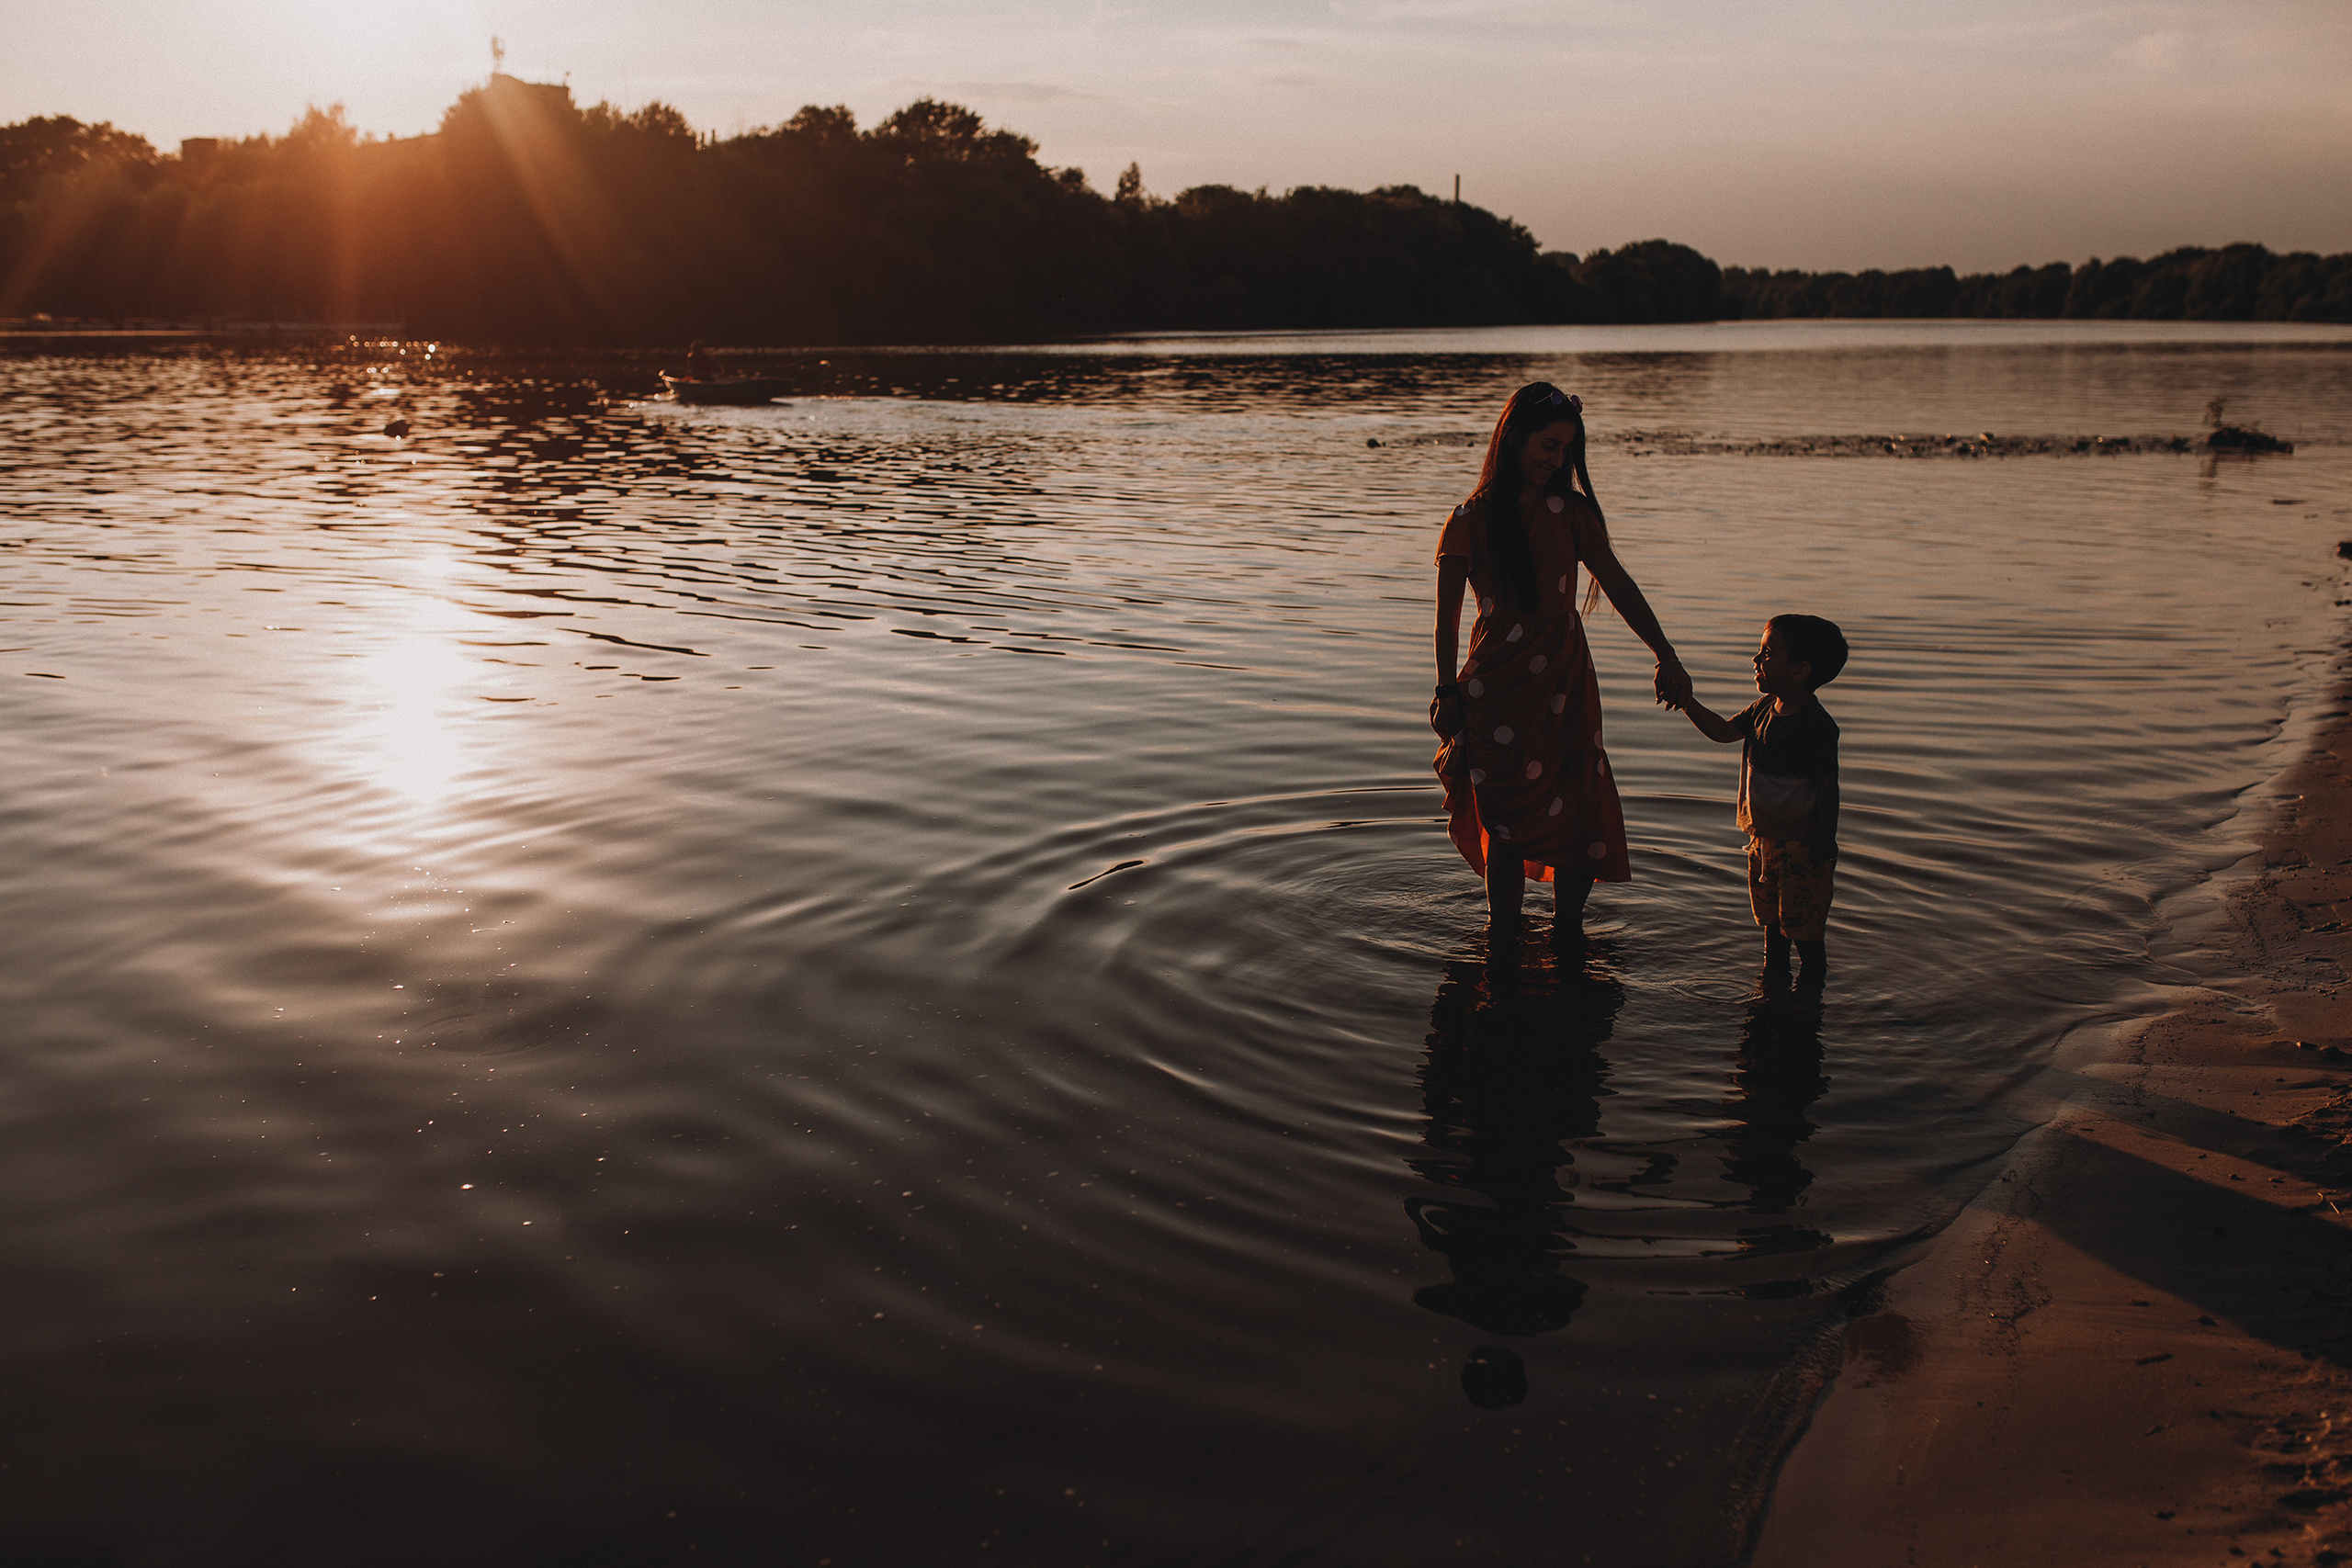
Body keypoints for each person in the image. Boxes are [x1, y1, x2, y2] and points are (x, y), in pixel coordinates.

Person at [1430, 382, 1691, 947]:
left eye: (1566, 451)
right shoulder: (1467, 520)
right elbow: (1447, 618)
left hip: (1566, 680)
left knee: (1580, 801)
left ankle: (1567, 934)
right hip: (1497, 685)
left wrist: (1665, 653)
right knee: (1504, 813)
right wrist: (1445, 689)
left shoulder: (1570, 513)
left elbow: (1618, 583)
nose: (1556, 460)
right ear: (1513, 439)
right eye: (1547, 446)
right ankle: (1505, 929)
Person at [1668, 615, 1848, 990]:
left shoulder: (1815, 726)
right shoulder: (1763, 708)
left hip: (1802, 850)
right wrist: (1687, 702)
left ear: (1800, 670)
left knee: (1806, 933)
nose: (1755, 659)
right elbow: (1721, 731)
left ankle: (1809, 997)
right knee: (1772, 925)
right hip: (1762, 844)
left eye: (1767, 653)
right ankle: (1772, 987)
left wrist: (1824, 841)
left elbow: (1828, 787)